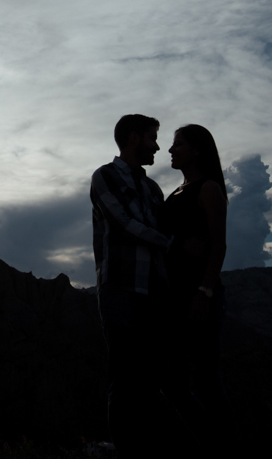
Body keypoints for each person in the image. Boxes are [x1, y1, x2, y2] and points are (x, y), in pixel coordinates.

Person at [90, 114, 175, 459]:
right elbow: (124, 224)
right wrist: (172, 243)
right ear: (134, 138)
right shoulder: (104, 177)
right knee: (125, 379)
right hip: (121, 289)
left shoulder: (153, 188)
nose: (157, 146)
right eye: (153, 138)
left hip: (153, 292)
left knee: (149, 380)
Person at [161, 124, 233, 440]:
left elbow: (218, 245)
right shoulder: (176, 191)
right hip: (174, 296)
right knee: (173, 381)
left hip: (199, 295)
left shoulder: (208, 188)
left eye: (178, 144)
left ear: (197, 150)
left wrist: (204, 292)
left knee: (205, 379)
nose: (171, 150)